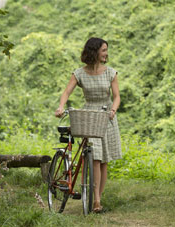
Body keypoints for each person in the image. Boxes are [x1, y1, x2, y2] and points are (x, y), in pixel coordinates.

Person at [55, 37, 122, 213]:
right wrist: (61, 106)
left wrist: (113, 111)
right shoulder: (79, 73)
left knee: (104, 160)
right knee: (95, 157)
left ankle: (96, 198)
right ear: (95, 52)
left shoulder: (110, 73)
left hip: (106, 115)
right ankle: (96, 201)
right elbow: (67, 91)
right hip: (90, 116)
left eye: (107, 50)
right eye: (104, 50)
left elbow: (116, 97)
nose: (107, 53)